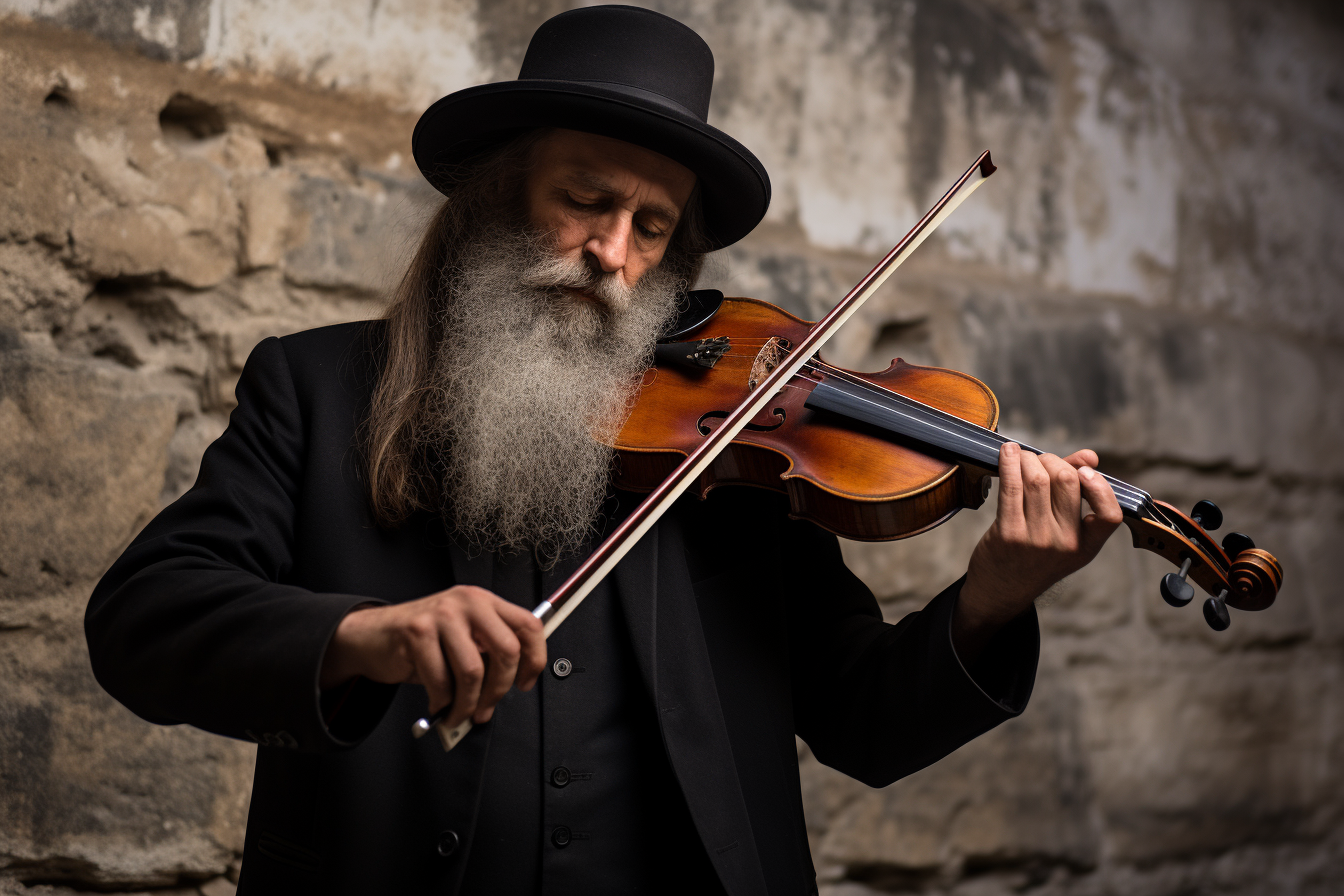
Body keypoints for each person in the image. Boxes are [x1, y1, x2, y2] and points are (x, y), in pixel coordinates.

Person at [85, 6, 1122, 895]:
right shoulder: (313, 389)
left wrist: (993, 597)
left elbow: (864, 720)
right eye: (585, 199)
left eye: (652, 224)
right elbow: (144, 618)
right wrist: (365, 633)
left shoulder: (732, 443)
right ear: (495, 198)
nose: (613, 252)